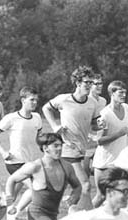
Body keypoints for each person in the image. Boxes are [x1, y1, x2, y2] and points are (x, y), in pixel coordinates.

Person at [42, 66, 102, 210]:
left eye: (91, 83)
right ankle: (81, 214)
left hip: (82, 149)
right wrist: (55, 126)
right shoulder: (64, 99)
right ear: (77, 83)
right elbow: (46, 108)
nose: (90, 86)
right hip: (68, 148)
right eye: (87, 82)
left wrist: (101, 125)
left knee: (58, 185)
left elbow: (94, 125)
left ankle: (67, 207)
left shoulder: (92, 103)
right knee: (85, 185)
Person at [0, 86, 42, 220]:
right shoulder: (11, 118)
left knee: (11, 197)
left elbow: (38, 139)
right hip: (14, 162)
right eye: (31, 99)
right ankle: (14, 215)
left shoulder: (37, 118)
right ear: (23, 100)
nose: (35, 102)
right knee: (36, 189)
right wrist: (3, 152)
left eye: (36, 99)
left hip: (30, 162)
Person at [92, 80, 128, 207]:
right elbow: (100, 140)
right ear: (112, 94)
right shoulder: (105, 114)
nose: (124, 95)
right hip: (104, 163)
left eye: (125, 92)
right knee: (101, 197)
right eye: (120, 93)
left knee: (121, 196)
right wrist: (119, 134)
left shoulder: (126, 108)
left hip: (120, 162)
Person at [83, 74, 107, 176]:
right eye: (96, 84)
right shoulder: (85, 100)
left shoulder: (103, 101)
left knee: (100, 169)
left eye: (100, 83)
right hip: (87, 139)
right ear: (90, 85)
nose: (99, 86)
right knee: (85, 172)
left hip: (100, 139)